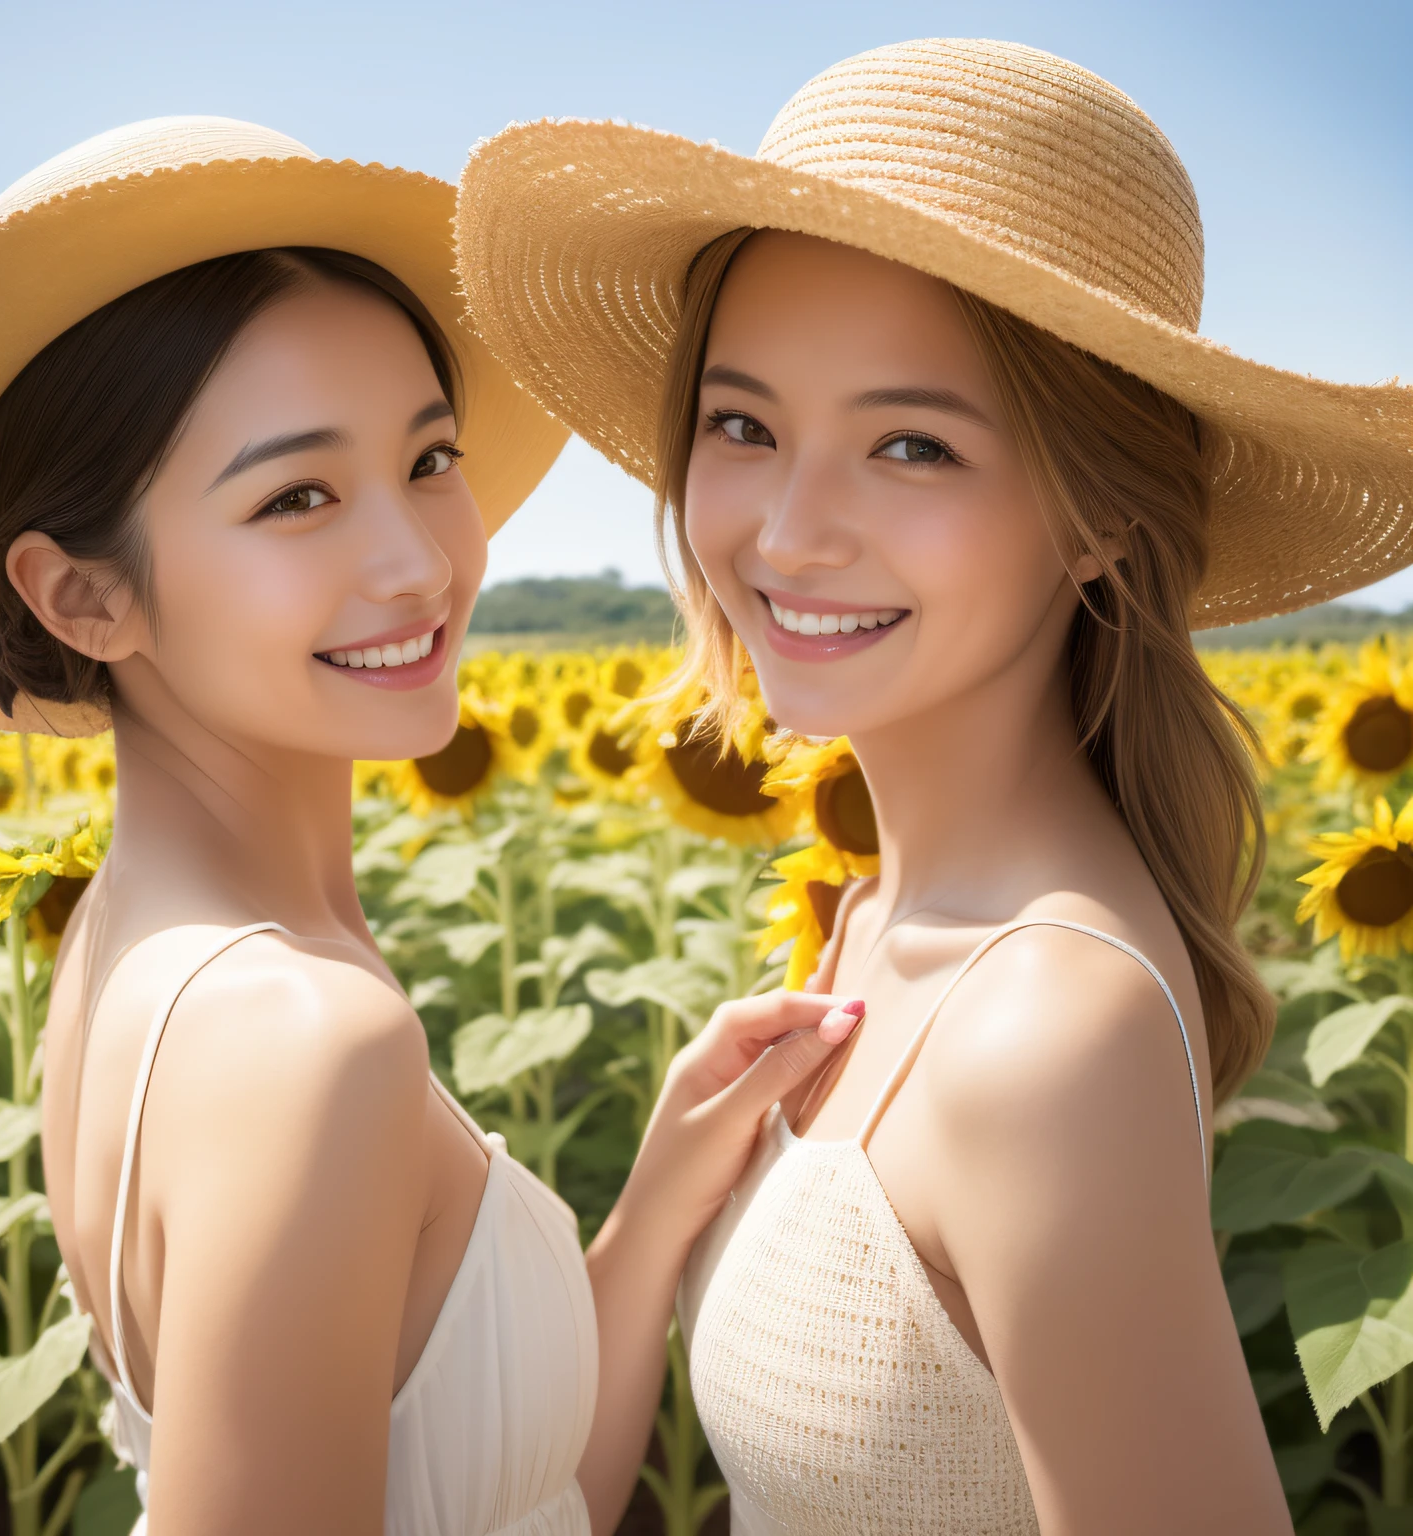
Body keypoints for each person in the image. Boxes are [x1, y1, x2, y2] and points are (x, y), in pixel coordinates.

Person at [456, 38, 1411, 1534]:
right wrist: (651, 1226)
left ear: (1099, 514)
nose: (790, 530)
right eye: (744, 425)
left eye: (913, 445)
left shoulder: (1049, 1032)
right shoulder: (883, 917)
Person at [0, 117, 865, 1536]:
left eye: (429, 459)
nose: (420, 562)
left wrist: (647, 1222)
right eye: (296, 498)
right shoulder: (302, 1039)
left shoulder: (128, 941)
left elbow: (488, 1495)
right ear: (84, 598)